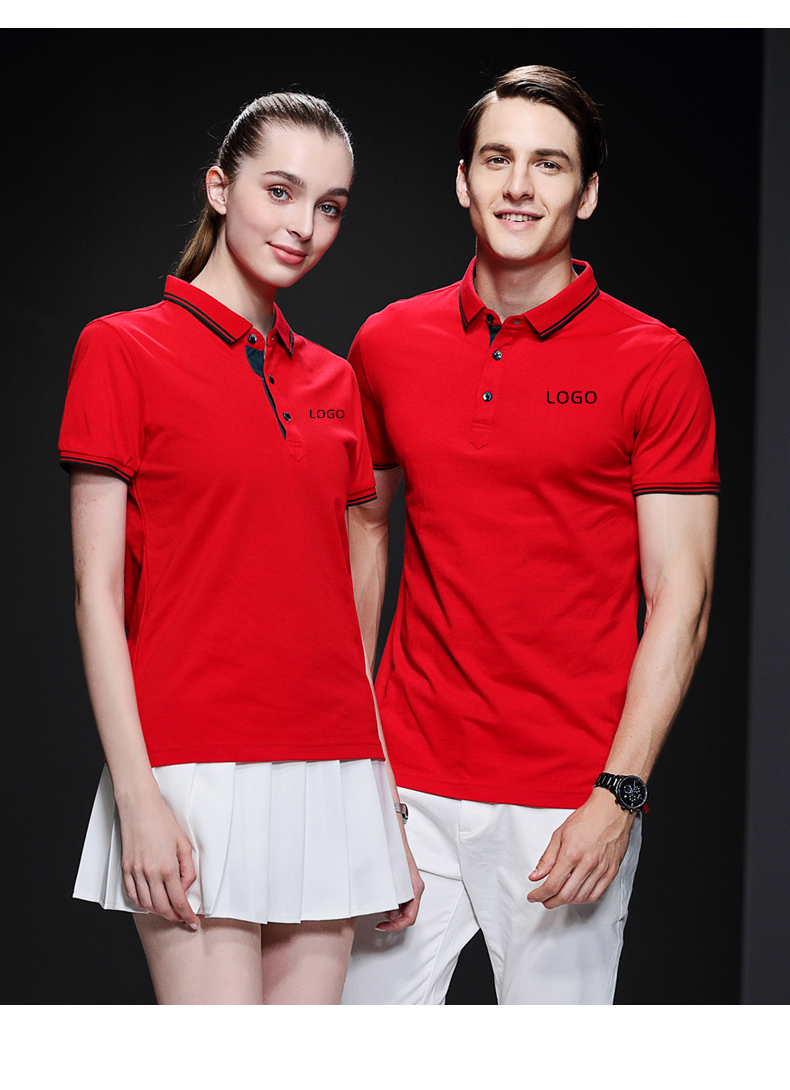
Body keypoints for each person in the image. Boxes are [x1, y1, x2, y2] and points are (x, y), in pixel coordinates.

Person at [341, 65, 719, 1005]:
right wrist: (358, 765)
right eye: (497, 159)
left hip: (567, 797)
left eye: (549, 164)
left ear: (586, 193)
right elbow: (365, 535)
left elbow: (683, 596)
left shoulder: (656, 364)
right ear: (462, 180)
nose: (519, 185)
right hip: (406, 786)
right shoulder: (387, 344)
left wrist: (619, 794)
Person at [59, 91, 422, 1006]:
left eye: (330, 206)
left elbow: (342, 607)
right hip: (193, 764)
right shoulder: (121, 349)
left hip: (334, 767)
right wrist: (138, 796)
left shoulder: (335, 380)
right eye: (281, 191)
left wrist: (378, 793)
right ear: (220, 188)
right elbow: (97, 596)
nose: (304, 226)